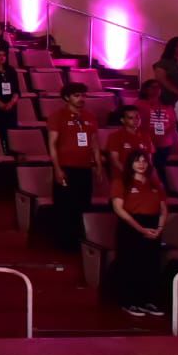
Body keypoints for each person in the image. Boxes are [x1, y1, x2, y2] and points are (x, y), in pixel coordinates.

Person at [108, 149, 168, 318]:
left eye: (144, 161)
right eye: (137, 160)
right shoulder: (121, 182)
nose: (141, 164)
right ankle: (129, 301)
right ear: (130, 163)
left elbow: (164, 209)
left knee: (151, 265)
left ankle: (148, 301)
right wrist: (140, 229)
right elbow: (118, 209)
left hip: (153, 226)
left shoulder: (155, 184)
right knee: (130, 264)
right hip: (130, 226)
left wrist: (159, 228)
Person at [45, 83, 102, 250]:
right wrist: (57, 169)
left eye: (83, 95)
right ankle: (63, 243)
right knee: (65, 206)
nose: (81, 99)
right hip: (66, 168)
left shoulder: (90, 116)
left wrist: (98, 165)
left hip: (85, 168)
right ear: (66, 97)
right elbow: (52, 145)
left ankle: (80, 242)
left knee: (83, 204)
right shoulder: (57, 116)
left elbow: (94, 143)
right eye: (77, 96)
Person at [106, 105, 157, 179]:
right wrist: (131, 174)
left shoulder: (146, 136)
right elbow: (115, 161)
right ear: (123, 120)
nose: (135, 120)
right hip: (123, 177)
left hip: (143, 177)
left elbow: (149, 160)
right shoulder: (115, 137)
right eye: (130, 118)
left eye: (137, 117)